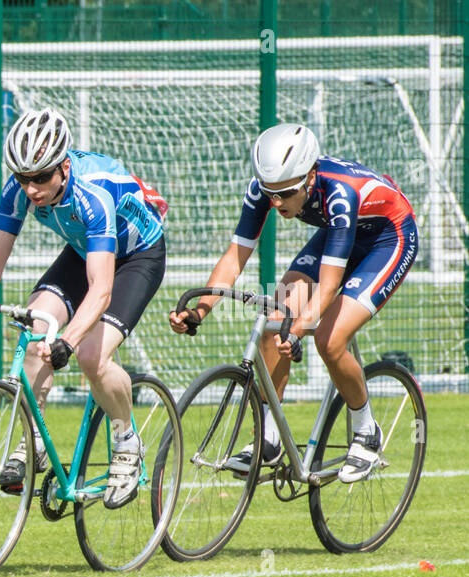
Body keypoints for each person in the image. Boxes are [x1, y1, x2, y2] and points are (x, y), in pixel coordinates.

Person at [0, 106, 168, 507]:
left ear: (63, 167)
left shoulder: (92, 195)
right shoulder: (18, 189)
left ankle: (127, 440)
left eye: (41, 177)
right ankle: (35, 443)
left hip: (138, 256)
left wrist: (69, 342)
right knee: (32, 330)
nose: (31, 189)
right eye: (24, 178)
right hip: (84, 251)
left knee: (92, 356)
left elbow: (101, 291)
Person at [169, 123, 418, 482]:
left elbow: (329, 284)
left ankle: (366, 431)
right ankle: (269, 439)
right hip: (336, 234)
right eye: (270, 193)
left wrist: (300, 329)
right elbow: (234, 259)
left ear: (311, 175)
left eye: (285, 193)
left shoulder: (339, 193)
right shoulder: (266, 189)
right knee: (275, 317)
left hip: (388, 238)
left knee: (328, 339)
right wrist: (200, 310)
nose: (276, 203)